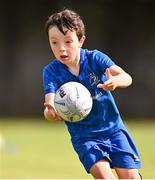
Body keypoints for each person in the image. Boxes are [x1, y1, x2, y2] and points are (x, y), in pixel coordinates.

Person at [42, 8, 142, 179]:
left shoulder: (95, 58)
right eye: (54, 42)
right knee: (105, 177)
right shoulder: (51, 72)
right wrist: (51, 112)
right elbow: (49, 104)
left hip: (114, 130)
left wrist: (116, 81)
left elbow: (127, 77)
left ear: (81, 40)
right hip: (84, 137)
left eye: (68, 41)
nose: (62, 49)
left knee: (130, 177)